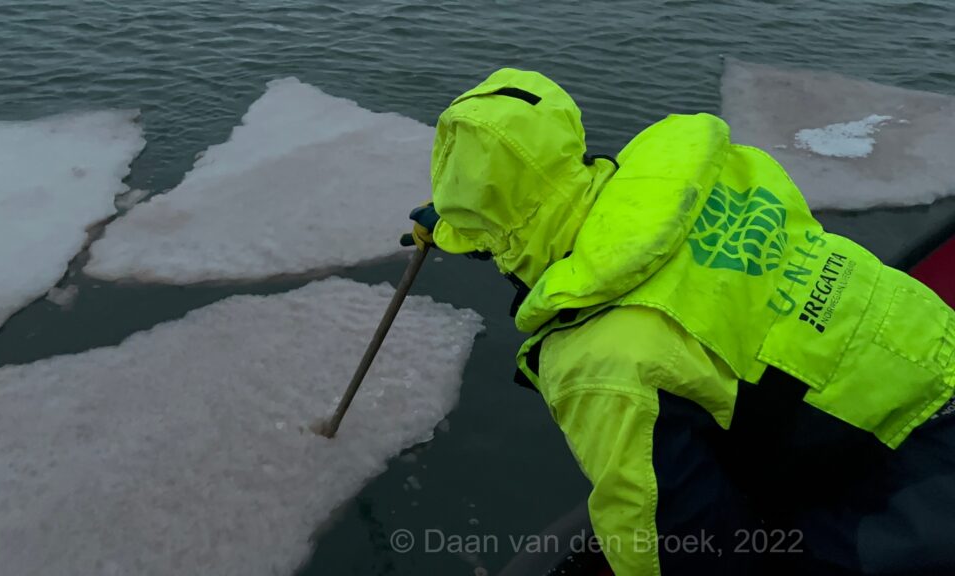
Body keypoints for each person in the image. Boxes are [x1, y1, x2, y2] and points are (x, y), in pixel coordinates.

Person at [404, 68, 955, 576]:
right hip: (932, 360)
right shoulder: (714, 173)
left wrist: (487, 225)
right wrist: (461, 225)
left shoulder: (603, 361)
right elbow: (553, 214)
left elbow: (674, 553)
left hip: (914, 487)